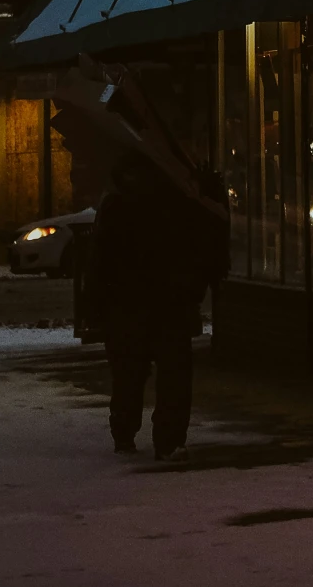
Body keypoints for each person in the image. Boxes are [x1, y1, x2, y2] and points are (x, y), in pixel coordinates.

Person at [92, 150, 226, 457]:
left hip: (133, 304)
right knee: (171, 375)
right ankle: (166, 438)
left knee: (131, 373)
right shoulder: (177, 203)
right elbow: (202, 244)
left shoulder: (119, 206)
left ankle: (128, 433)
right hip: (167, 303)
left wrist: (100, 304)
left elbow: (101, 262)